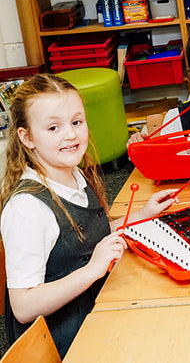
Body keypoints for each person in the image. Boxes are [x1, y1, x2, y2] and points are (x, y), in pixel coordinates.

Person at [0, 74, 178, 357]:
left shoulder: (73, 174)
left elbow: (88, 234)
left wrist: (142, 215)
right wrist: (91, 270)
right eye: (53, 127)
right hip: (67, 340)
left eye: (76, 122)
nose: (70, 134)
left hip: (97, 305)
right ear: (27, 137)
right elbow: (23, 307)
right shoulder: (27, 209)